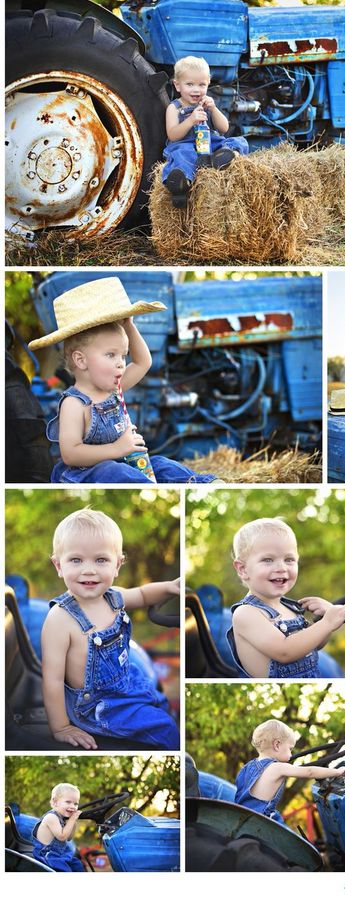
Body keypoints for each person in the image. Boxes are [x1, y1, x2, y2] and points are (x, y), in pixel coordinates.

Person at [28, 277, 217, 484]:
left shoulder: (114, 389)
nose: (120, 363)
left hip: (123, 464)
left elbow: (143, 362)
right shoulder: (74, 403)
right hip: (87, 475)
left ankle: (202, 483)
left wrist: (129, 326)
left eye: (123, 355)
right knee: (112, 470)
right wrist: (118, 448)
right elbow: (71, 454)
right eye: (111, 355)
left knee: (161, 464)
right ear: (81, 360)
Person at [41, 508, 180, 749]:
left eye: (101, 560)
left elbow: (143, 594)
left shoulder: (112, 598)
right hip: (98, 706)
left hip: (128, 682)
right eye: (76, 560)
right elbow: (51, 680)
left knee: (163, 703)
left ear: (117, 565)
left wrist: (170, 587)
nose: (89, 570)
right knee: (166, 729)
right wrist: (61, 727)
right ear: (58, 565)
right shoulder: (60, 619)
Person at [226, 518, 345, 678]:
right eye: (268, 560)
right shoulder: (246, 614)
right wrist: (327, 623)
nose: (281, 568)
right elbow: (285, 651)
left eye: (289, 559)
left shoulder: (289, 608)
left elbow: (313, 646)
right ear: (243, 569)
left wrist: (323, 621)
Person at [162, 56, 249, 207]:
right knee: (182, 155)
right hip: (185, 144)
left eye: (202, 85)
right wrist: (190, 120)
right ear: (177, 85)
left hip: (209, 142)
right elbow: (172, 134)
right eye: (189, 84)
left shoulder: (207, 103)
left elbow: (224, 128)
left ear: (208, 84)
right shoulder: (174, 108)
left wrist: (214, 109)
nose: (196, 89)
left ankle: (222, 158)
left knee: (238, 141)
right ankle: (182, 184)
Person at [235, 720, 345, 824]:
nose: (291, 754)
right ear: (277, 745)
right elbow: (309, 772)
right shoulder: (278, 767)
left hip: (239, 817)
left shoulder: (246, 768)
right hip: (261, 822)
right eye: (290, 749)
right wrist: (337, 772)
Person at [31, 782, 85, 872]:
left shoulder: (63, 818)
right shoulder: (51, 817)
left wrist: (73, 822)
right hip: (47, 855)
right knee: (65, 871)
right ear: (55, 802)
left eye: (76, 804)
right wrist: (72, 820)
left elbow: (69, 838)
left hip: (60, 854)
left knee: (78, 865)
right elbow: (62, 837)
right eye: (68, 802)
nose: (72, 806)